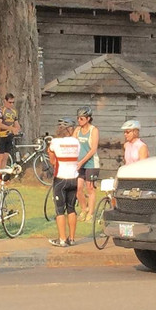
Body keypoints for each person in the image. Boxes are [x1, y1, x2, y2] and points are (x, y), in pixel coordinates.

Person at [48, 118, 81, 247]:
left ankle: (62, 239)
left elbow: (52, 161)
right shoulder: (76, 142)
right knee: (71, 209)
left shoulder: (55, 142)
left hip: (60, 179)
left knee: (60, 210)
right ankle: (72, 238)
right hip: (74, 178)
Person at [74, 105, 100, 222]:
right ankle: (84, 209)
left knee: (90, 188)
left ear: (88, 118)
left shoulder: (93, 130)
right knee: (78, 188)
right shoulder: (77, 130)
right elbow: (72, 144)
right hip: (79, 163)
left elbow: (93, 149)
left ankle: (90, 213)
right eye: (78, 118)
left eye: (82, 118)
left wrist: (82, 162)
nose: (79, 121)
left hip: (91, 163)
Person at [0, 93, 21, 171]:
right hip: (1, 136)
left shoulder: (14, 112)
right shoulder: (1, 110)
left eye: (13, 102)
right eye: (9, 102)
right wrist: (11, 128)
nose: (11, 104)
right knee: (0, 157)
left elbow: (17, 124)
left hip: (9, 136)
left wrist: (17, 130)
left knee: (6, 156)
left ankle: (3, 176)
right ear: (5, 101)